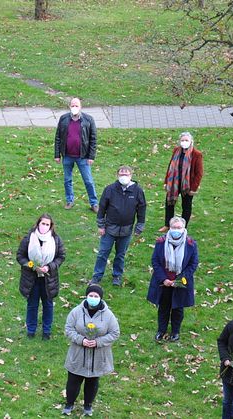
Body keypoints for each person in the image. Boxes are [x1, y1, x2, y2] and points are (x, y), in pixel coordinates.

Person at [62, 284, 120, 416]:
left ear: (100, 298)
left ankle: (88, 405)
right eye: (91, 296)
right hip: (78, 354)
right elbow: (68, 329)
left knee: (92, 382)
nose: (93, 298)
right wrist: (81, 340)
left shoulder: (108, 315)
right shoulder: (76, 312)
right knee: (73, 380)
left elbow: (114, 333)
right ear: (86, 296)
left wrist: (98, 342)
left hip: (98, 355)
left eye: (96, 296)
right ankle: (69, 403)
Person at [92, 165, 146, 286]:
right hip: (109, 229)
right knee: (102, 253)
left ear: (131, 175)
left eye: (126, 174)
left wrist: (139, 227)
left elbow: (142, 210)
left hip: (126, 231)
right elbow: (102, 209)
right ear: (117, 175)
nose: (124, 176)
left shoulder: (138, 191)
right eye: (121, 174)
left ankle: (117, 276)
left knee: (120, 255)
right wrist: (101, 226)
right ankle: (96, 276)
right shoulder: (109, 189)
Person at [147, 216, 198, 342]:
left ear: (184, 228)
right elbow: (155, 261)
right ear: (170, 228)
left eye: (179, 227)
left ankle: (175, 332)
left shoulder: (191, 244)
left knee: (178, 308)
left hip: (180, 283)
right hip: (164, 282)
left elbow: (193, 264)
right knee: (163, 307)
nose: (176, 230)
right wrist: (164, 279)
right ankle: (161, 330)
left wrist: (180, 280)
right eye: (174, 227)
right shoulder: (161, 242)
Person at [17, 214, 66, 340]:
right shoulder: (29, 238)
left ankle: (46, 331)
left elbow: (61, 257)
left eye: (47, 224)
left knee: (48, 305)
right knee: (32, 305)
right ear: (38, 223)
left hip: (48, 279)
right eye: (43, 223)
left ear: (51, 226)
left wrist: (49, 267)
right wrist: (32, 265)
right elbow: (20, 256)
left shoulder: (55, 239)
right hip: (32, 278)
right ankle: (31, 330)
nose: (44, 226)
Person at [54, 97, 98, 212]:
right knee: (67, 180)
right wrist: (57, 154)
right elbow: (58, 137)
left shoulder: (88, 120)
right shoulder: (63, 119)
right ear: (69, 107)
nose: (74, 107)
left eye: (76, 105)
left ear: (80, 107)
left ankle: (94, 203)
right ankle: (70, 201)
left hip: (82, 157)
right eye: (72, 105)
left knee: (88, 180)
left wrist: (91, 156)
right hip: (67, 156)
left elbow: (93, 139)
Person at [160, 132, 204, 232]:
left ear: (191, 141)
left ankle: (183, 227)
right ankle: (167, 225)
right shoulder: (176, 151)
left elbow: (199, 173)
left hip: (187, 184)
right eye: (182, 140)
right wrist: (166, 181)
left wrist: (194, 188)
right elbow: (170, 166)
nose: (184, 142)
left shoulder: (196, 154)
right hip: (174, 183)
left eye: (186, 140)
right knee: (169, 203)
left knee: (186, 205)